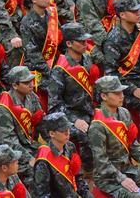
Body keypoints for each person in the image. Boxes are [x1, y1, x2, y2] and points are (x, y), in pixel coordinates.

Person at [45, 23, 97, 170]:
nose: (85, 44)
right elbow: (54, 105)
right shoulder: (60, 69)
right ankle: (87, 173)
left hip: (90, 111)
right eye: (80, 41)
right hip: (71, 115)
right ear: (69, 44)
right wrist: (74, 120)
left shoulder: (87, 59)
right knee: (85, 135)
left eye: (85, 41)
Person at [0, 66, 42, 188]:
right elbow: (8, 140)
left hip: (28, 145)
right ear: (15, 85)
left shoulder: (32, 96)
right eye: (26, 82)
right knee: (36, 172)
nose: (31, 85)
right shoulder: (4, 107)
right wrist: (29, 158)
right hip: (7, 152)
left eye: (31, 81)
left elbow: (42, 122)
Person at [33, 113, 92, 198]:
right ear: (52, 134)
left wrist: (87, 194)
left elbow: (77, 177)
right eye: (63, 131)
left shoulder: (70, 146)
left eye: (68, 129)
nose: (67, 133)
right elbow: (43, 194)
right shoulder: (43, 160)